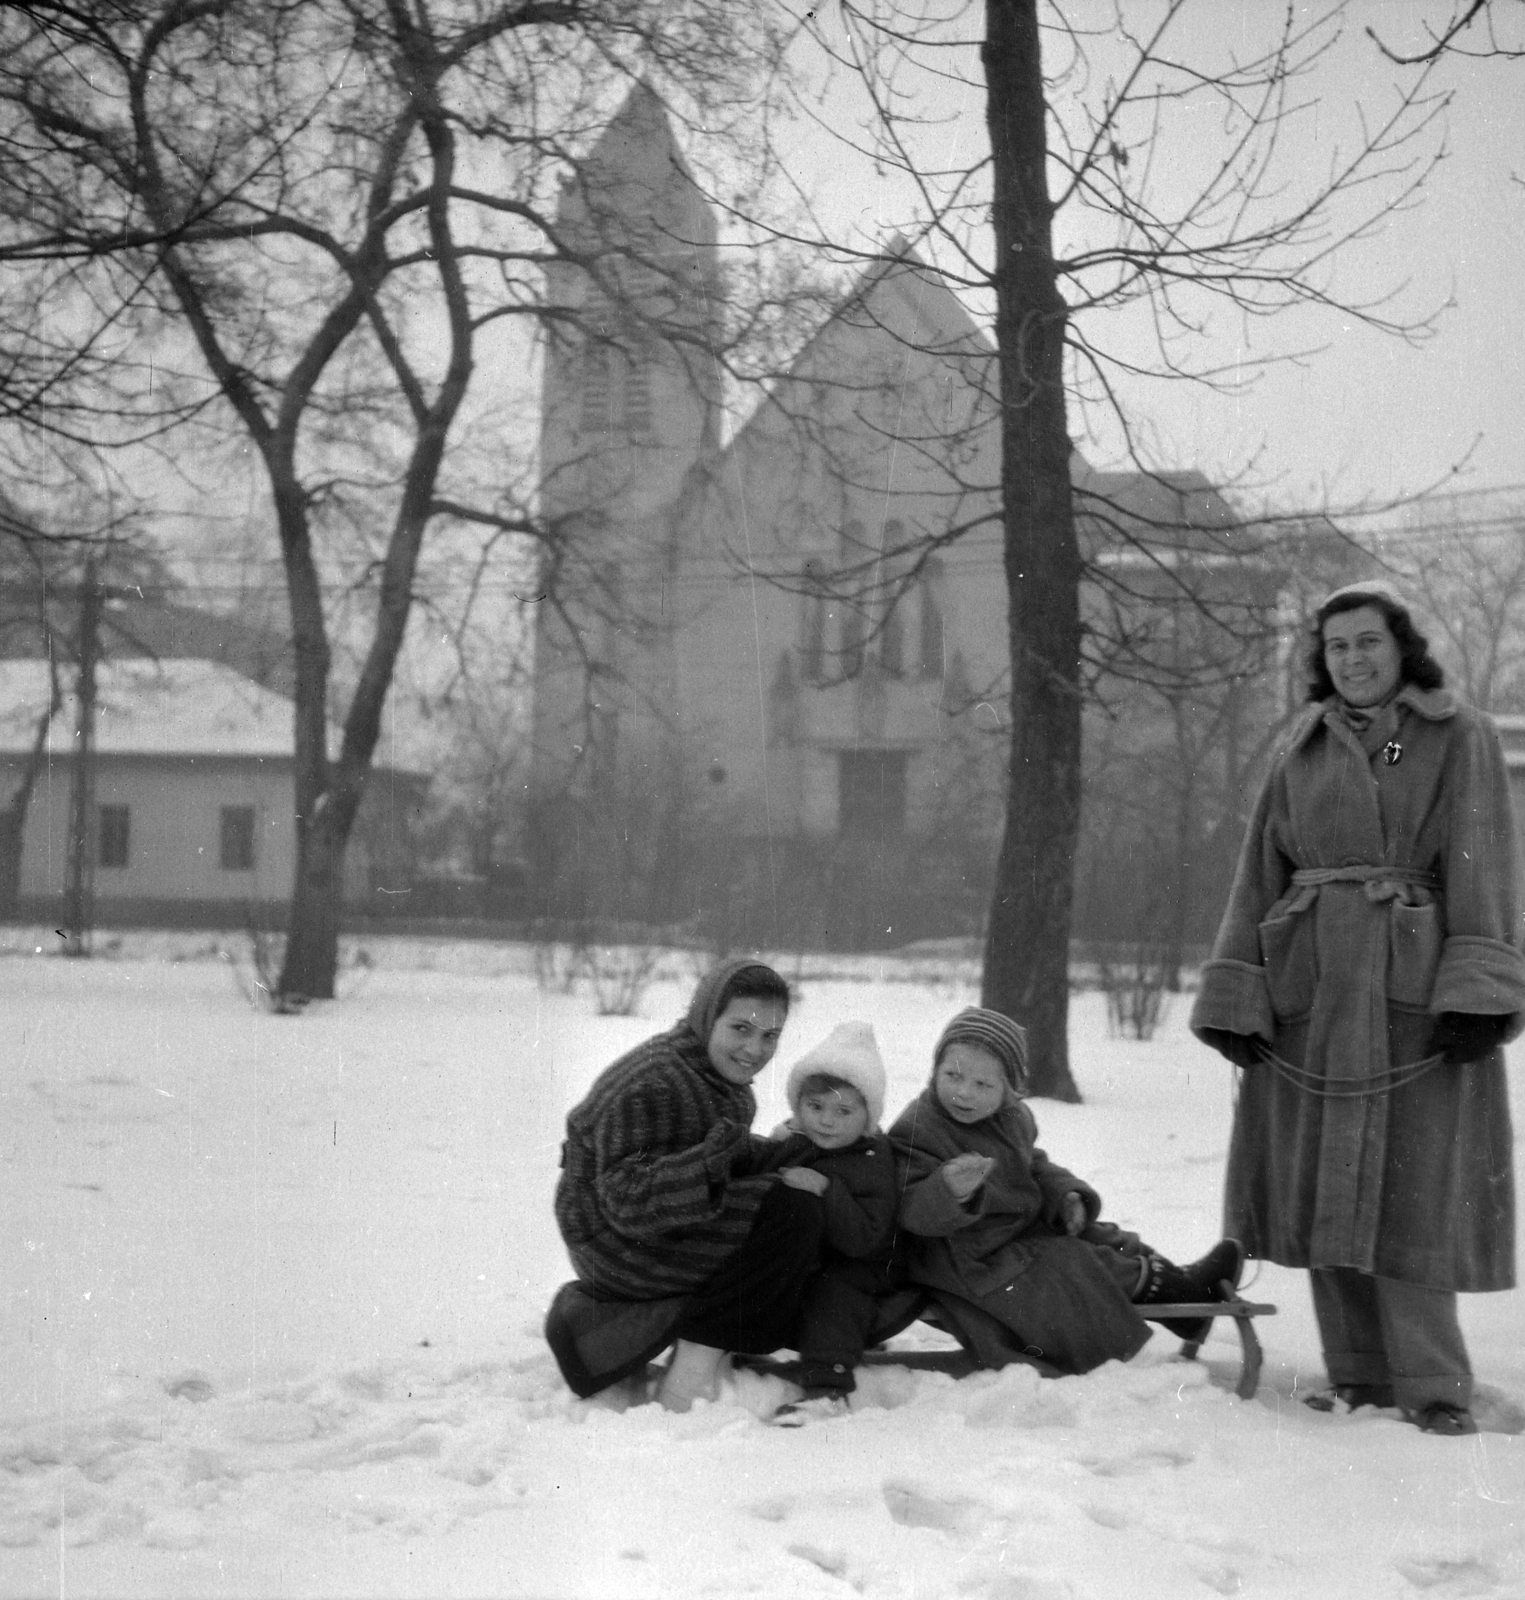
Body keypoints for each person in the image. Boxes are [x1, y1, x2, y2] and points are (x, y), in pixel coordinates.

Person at [1190, 581, 1523, 1436]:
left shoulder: (1460, 737)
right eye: (1335, 647)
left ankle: (1434, 1388)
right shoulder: (1297, 749)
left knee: (1414, 1192)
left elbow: (1483, 863)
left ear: (1400, 647)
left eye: (1367, 642)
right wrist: (1238, 991)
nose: (1352, 659)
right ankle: (1359, 1377)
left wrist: (1477, 992)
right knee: (1319, 1188)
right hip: (1310, 991)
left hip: (1413, 999)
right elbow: (1255, 873)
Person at [889, 1007, 1243, 1376]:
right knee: (1072, 1261)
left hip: (1008, 1235)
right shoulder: (919, 1127)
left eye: (983, 1085)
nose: (964, 1093)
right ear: (935, 1070)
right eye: (953, 1076)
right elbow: (911, 1208)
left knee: (1101, 1235)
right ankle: (1176, 1292)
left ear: (1009, 1088)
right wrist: (948, 1190)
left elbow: (1033, 1164)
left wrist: (1065, 1194)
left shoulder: (1011, 1118)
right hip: (965, 1258)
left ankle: (1180, 1287)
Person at [547, 956, 823, 1410]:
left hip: (648, 1228)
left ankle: (768, 1336)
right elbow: (625, 1198)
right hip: (612, 1244)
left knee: (802, 1177)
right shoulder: (654, 1081)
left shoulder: (708, 1071)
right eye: (740, 1029)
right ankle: (691, 1371)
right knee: (790, 1211)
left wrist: (789, 1150)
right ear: (706, 1016)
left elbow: (709, 1147)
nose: (755, 1049)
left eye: (770, 1035)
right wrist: (720, 1167)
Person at [753, 1022, 902, 1420]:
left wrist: (827, 1189)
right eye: (815, 1107)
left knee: (833, 1292)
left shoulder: (873, 1160)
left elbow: (866, 1238)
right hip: (810, 1251)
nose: (827, 1121)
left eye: (843, 1111)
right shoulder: (800, 1142)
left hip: (860, 1262)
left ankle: (827, 1386)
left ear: (867, 1116)